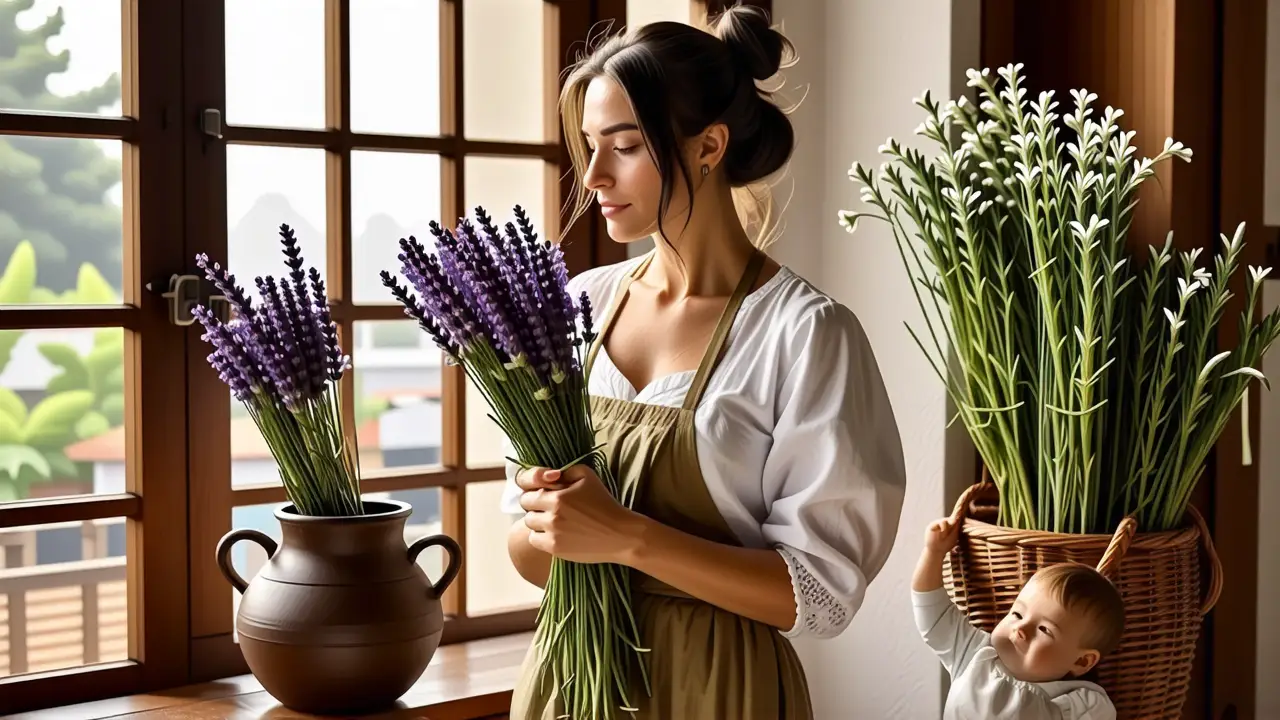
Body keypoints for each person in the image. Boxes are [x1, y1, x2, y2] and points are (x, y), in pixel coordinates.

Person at [499, 6, 907, 718]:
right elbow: (530, 556)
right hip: (568, 685)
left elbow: (818, 597)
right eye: (590, 146)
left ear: (709, 146)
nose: (592, 175)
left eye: (623, 146)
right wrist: (552, 524)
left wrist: (624, 536)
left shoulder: (804, 334)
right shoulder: (578, 305)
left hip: (719, 691)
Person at [912, 516, 1124, 719]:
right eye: (1017, 614)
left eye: (1044, 629)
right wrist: (934, 552)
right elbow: (933, 613)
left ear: (1081, 660)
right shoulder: (974, 652)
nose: (1021, 629)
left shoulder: (1087, 705)